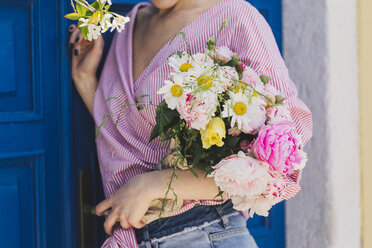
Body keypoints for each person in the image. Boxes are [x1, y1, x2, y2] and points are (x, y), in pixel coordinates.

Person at [68, 0, 313, 247]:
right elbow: (121, 137)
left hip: (207, 233)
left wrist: (157, 184)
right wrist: (85, 79)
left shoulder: (237, 18)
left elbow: (281, 154)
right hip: (137, 237)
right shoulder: (131, 23)